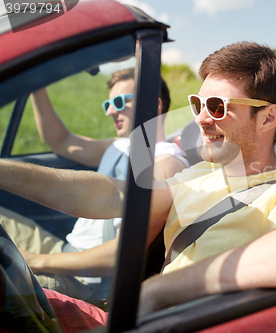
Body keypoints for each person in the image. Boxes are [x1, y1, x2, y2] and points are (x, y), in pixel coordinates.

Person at [0, 42, 276, 322]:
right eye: (198, 104)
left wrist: (160, 289)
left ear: (268, 118)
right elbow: (114, 195)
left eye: (218, 107)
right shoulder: (199, 174)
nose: (203, 120)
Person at [0, 68, 188, 302]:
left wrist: (37, 260)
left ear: (153, 106)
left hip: (85, 284)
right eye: (107, 104)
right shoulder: (119, 145)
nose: (110, 111)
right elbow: (61, 141)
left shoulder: (165, 163)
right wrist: (37, 86)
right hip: (62, 252)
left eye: (119, 102)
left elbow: (122, 254)